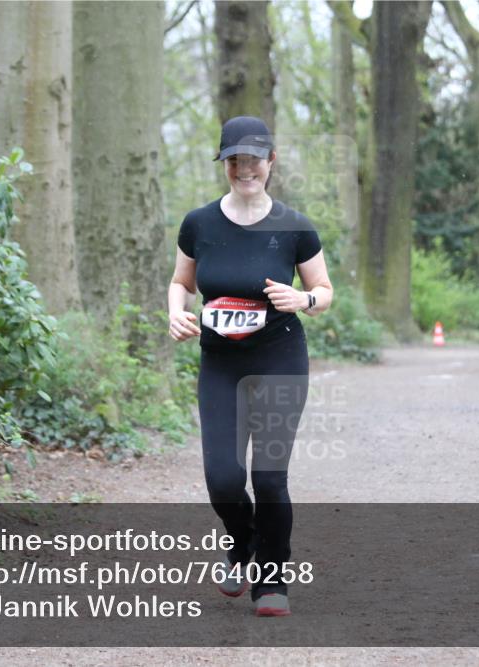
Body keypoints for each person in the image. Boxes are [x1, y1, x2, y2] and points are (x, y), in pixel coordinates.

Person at [167, 116, 333, 617]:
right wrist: (175, 310)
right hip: (220, 363)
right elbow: (182, 282)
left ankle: (271, 579)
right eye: (235, 160)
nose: (245, 169)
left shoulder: (295, 225)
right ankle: (243, 542)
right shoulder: (199, 224)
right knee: (222, 477)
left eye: (254, 159)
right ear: (224, 164)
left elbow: (324, 292)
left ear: (271, 161)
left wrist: (301, 299)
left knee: (268, 476)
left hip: (280, 358)